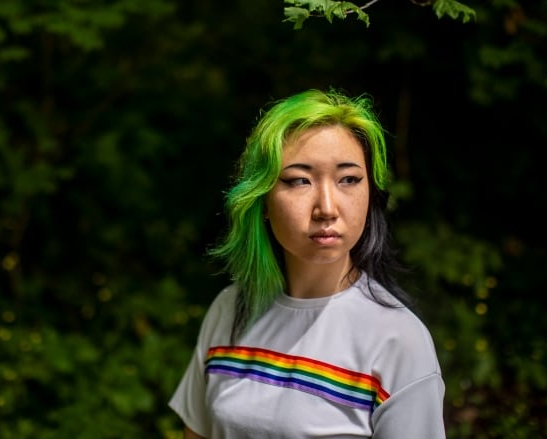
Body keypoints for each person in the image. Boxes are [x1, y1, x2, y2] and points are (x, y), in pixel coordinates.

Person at [168, 88, 445, 438]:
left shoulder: (398, 340)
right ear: (262, 200)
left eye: (348, 179)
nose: (327, 208)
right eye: (299, 180)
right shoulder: (230, 310)